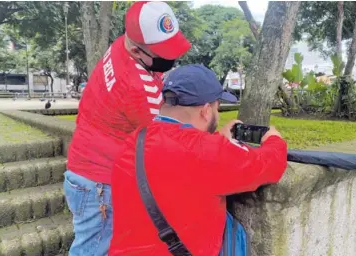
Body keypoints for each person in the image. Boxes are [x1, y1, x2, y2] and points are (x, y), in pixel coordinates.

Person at [109, 64, 288, 256]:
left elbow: (179, 155)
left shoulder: (135, 139)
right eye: (217, 108)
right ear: (205, 111)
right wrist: (273, 139)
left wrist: (218, 140)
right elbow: (269, 164)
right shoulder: (206, 152)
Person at [63, 2, 191, 255]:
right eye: (162, 54)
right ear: (136, 49)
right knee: (92, 250)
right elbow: (167, 141)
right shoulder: (136, 88)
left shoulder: (122, 44)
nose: (170, 59)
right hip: (99, 183)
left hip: (85, 168)